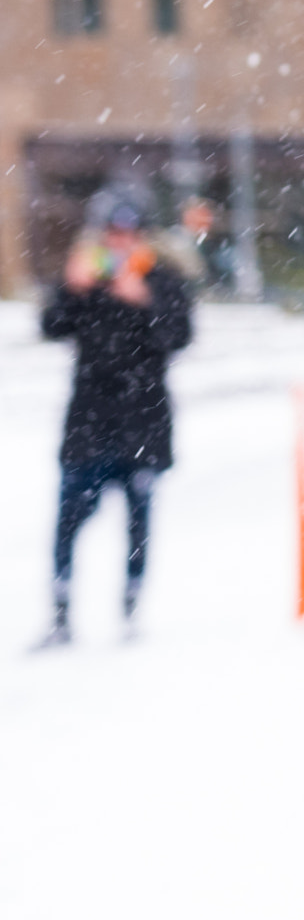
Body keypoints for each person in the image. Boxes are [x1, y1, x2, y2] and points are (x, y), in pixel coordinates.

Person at [37, 193, 194, 647]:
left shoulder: (162, 278)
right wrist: (70, 288)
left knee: (138, 517)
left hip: (143, 421)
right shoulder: (86, 279)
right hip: (89, 419)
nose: (120, 242)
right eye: (112, 232)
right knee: (69, 515)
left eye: (128, 232)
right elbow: (50, 326)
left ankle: (130, 604)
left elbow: (180, 334)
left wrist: (145, 300)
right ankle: (61, 609)